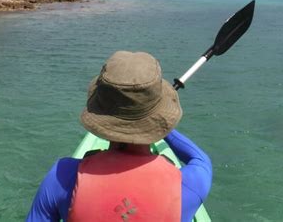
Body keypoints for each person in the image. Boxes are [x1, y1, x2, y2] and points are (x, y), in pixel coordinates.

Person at [26, 51, 212, 221]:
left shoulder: (62, 177)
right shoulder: (191, 184)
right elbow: (200, 158)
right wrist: (158, 124)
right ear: (158, 119)